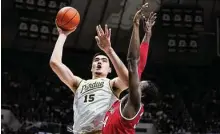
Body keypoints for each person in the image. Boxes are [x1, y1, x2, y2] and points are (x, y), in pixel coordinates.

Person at [49, 23, 129, 133]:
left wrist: (109, 50)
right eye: (96, 60)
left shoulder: (111, 84)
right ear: (91, 67)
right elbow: (55, 63)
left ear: (110, 69)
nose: (99, 62)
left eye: (104, 60)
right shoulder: (79, 84)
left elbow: (128, 81)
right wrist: (62, 35)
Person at [102, 3, 158, 134]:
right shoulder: (130, 99)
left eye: (139, 85)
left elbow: (133, 61)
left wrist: (136, 25)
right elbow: (141, 62)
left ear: (141, 95)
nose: (136, 83)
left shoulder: (134, 103)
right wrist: (148, 35)